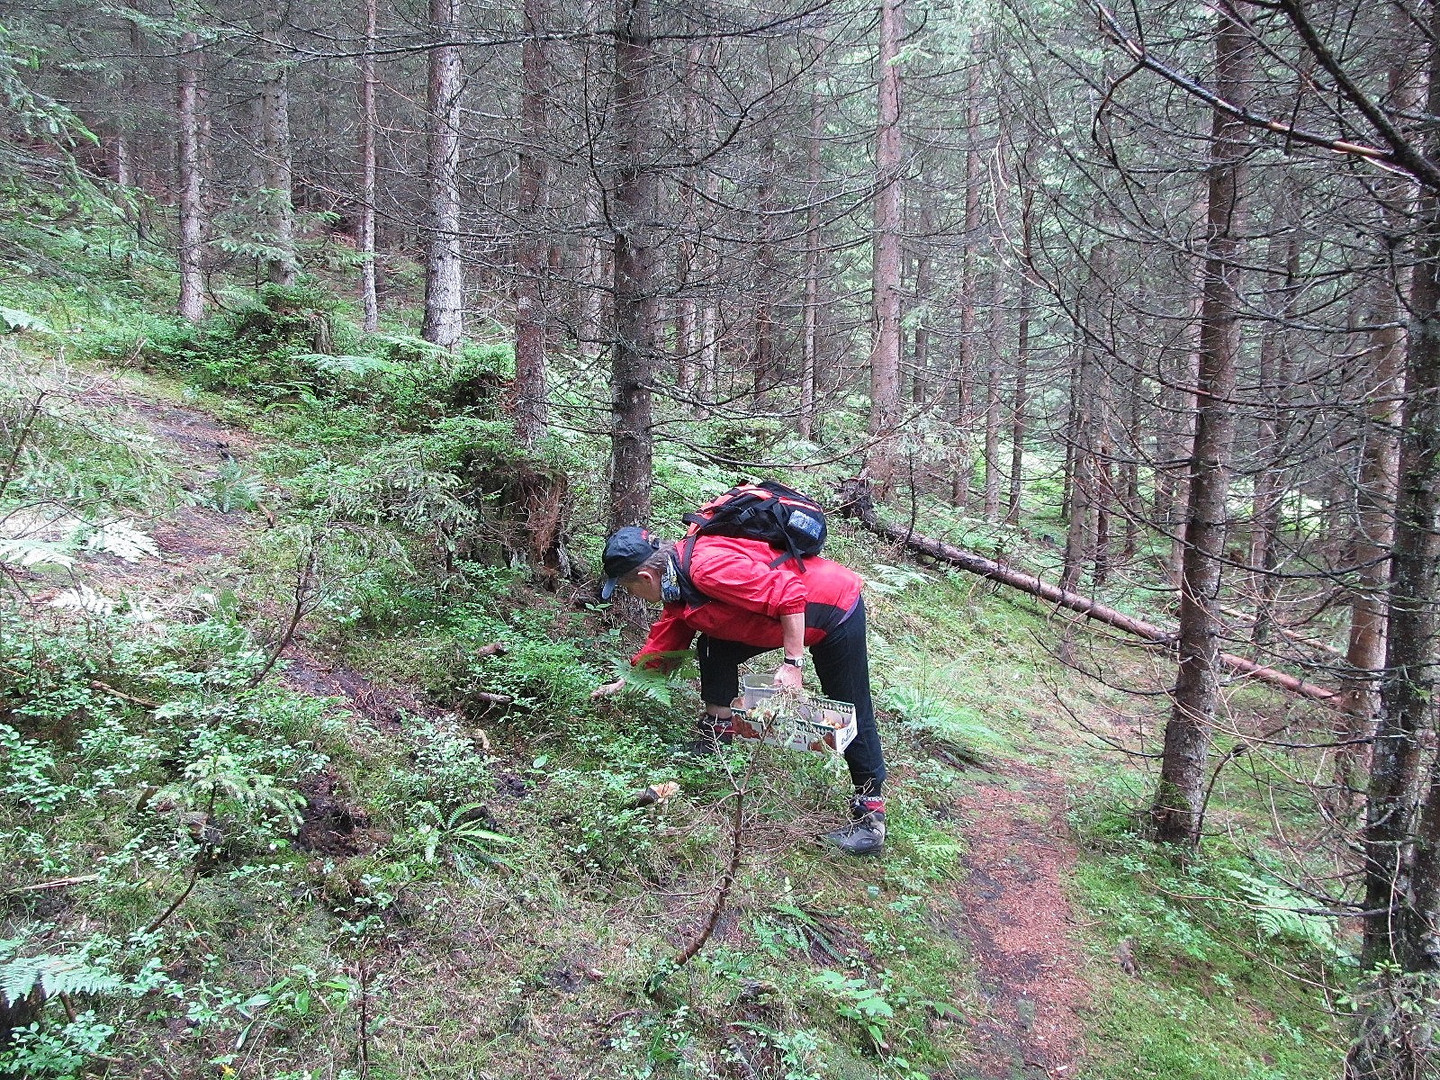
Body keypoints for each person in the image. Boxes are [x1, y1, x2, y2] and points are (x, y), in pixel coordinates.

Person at [591, 525, 888, 856]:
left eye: (629, 589)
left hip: (831, 609)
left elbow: (790, 592)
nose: (632, 596)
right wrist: (629, 679)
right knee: (713, 645)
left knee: (850, 704)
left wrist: (793, 665)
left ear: (646, 577)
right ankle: (717, 737)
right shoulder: (677, 584)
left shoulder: (706, 569)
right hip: (776, 619)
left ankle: (871, 818)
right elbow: (668, 637)